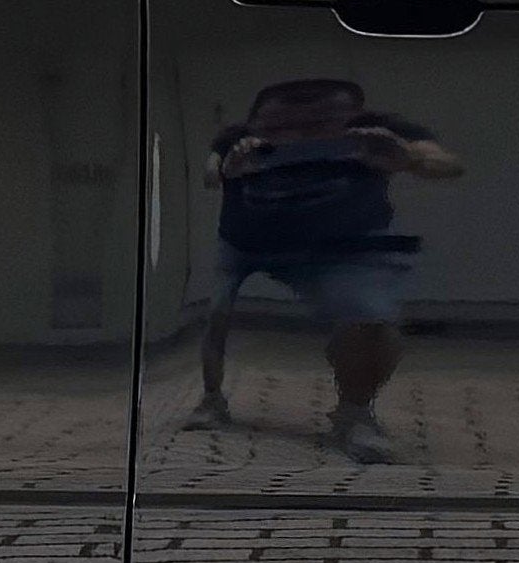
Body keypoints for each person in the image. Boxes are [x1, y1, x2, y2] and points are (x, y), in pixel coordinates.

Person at [192, 75, 466, 464]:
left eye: (318, 123)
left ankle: (355, 413)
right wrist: (229, 167)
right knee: (216, 314)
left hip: (339, 245)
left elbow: (448, 164)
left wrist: (409, 158)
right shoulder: (240, 138)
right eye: (281, 126)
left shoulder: (375, 133)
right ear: (257, 123)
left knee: (372, 323)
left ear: (351, 118)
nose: (299, 134)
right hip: (246, 242)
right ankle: (211, 399)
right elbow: (210, 173)